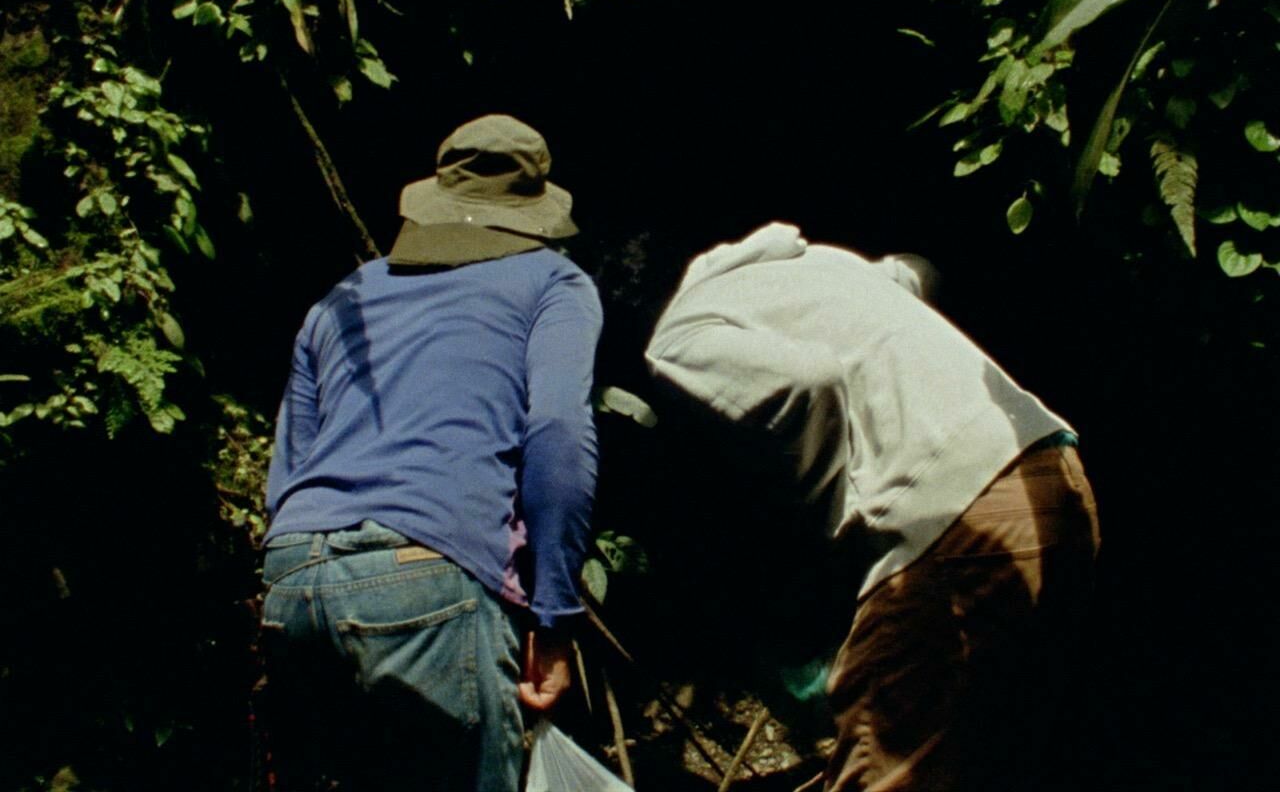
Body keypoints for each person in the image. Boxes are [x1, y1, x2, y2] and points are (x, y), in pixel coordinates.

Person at [644, 222, 1100, 792]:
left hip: (959, 512)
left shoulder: (680, 333)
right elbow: (916, 273)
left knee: (885, 769)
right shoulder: (820, 267)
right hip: (1053, 481)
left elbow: (809, 381)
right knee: (985, 758)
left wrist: (826, 535)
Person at [260, 114, 603, 792]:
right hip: (427, 572)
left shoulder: (343, 298)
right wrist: (555, 616)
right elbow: (559, 435)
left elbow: (288, 467)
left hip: (293, 576)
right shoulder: (552, 284)